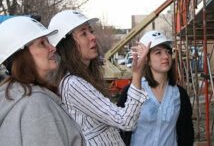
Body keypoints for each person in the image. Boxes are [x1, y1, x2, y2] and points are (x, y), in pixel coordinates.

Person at [48, 10, 149, 146]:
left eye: (91, 31)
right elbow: (125, 120)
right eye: (84, 34)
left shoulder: (84, 78)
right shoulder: (73, 84)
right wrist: (136, 74)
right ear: (68, 45)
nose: (92, 37)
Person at [0, 16, 85, 146]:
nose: (53, 48)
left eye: (48, 42)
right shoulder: (35, 104)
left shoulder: (13, 93)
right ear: (21, 55)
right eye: (42, 43)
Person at [117, 30, 194, 146]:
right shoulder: (131, 92)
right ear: (146, 59)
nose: (165, 56)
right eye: (158, 53)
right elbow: (119, 130)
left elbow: (187, 133)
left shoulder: (180, 94)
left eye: (168, 52)